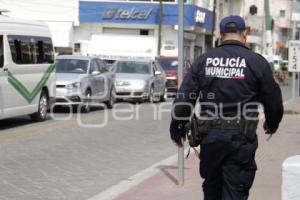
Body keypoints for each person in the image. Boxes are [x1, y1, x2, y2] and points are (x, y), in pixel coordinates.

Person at [169, 15, 283, 200]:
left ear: (221, 34)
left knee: (212, 190)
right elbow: (274, 101)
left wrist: (177, 128)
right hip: (241, 140)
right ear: (245, 33)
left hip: (210, 139)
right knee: (235, 192)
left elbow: (184, 98)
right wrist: (272, 124)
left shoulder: (204, 60)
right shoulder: (256, 62)